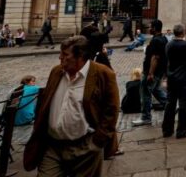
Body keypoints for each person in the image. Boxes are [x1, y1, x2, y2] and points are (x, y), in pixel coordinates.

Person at [23, 36, 120, 176]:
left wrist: (97, 142)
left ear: (80, 56)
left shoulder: (103, 74)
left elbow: (112, 110)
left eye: (65, 54)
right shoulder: (57, 72)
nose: (60, 57)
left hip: (85, 147)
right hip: (52, 147)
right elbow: (45, 102)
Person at [162, 24, 186, 138]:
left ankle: (167, 130)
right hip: (184, 79)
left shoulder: (169, 45)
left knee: (170, 104)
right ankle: (181, 131)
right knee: (183, 105)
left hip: (172, 77)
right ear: (183, 33)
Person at [132, 20, 169, 126]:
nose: (149, 28)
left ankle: (146, 117)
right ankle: (169, 105)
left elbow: (155, 58)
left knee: (145, 92)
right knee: (156, 90)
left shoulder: (156, 41)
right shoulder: (163, 38)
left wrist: (150, 73)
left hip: (153, 71)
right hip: (160, 71)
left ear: (155, 28)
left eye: (151, 27)